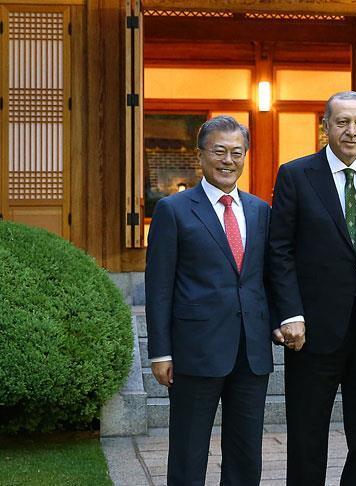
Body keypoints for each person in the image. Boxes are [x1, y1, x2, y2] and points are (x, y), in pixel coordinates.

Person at [268, 91, 356, 486]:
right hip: (311, 331)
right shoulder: (296, 175)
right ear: (325, 126)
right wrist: (290, 313)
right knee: (307, 436)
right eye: (342, 122)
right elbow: (280, 251)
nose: (351, 131)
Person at [145, 116, 274, 485]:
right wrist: (160, 352)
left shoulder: (260, 210)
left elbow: (268, 277)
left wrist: (282, 321)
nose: (228, 160)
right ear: (200, 155)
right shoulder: (174, 210)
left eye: (237, 152)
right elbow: (159, 286)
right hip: (195, 350)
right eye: (219, 151)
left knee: (246, 452)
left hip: (250, 351)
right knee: (188, 450)